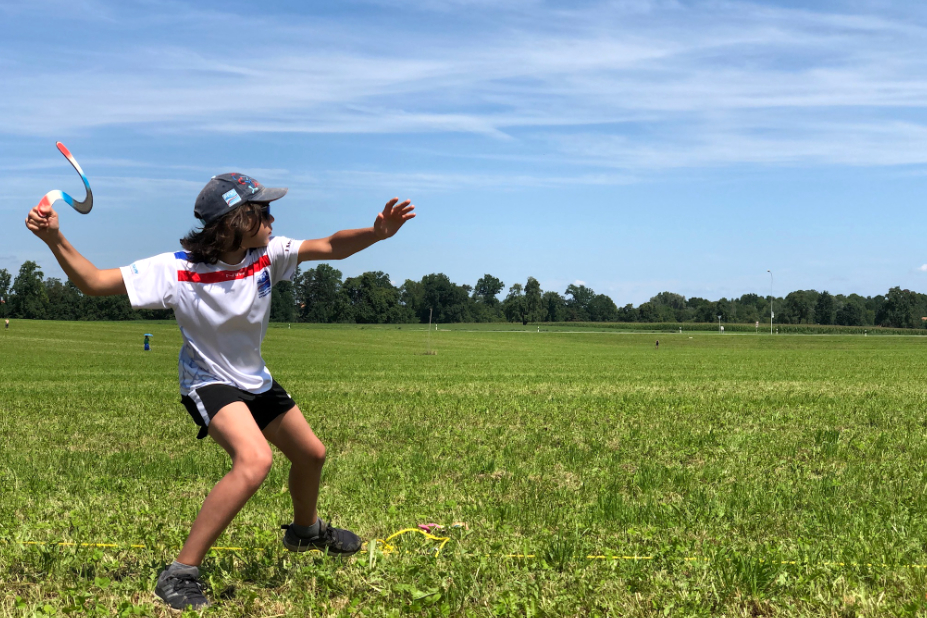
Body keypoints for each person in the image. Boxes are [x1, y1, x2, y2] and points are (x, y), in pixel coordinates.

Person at [25, 172, 415, 611]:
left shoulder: (268, 254)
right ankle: (180, 572)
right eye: (263, 211)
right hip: (207, 380)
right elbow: (94, 282)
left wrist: (376, 234)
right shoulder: (176, 270)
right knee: (254, 460)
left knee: (312, 454)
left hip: (254, 379)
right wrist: (54, 238)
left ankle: (305, 533)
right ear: (237, 221)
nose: (272, 218)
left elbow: (329, 245)